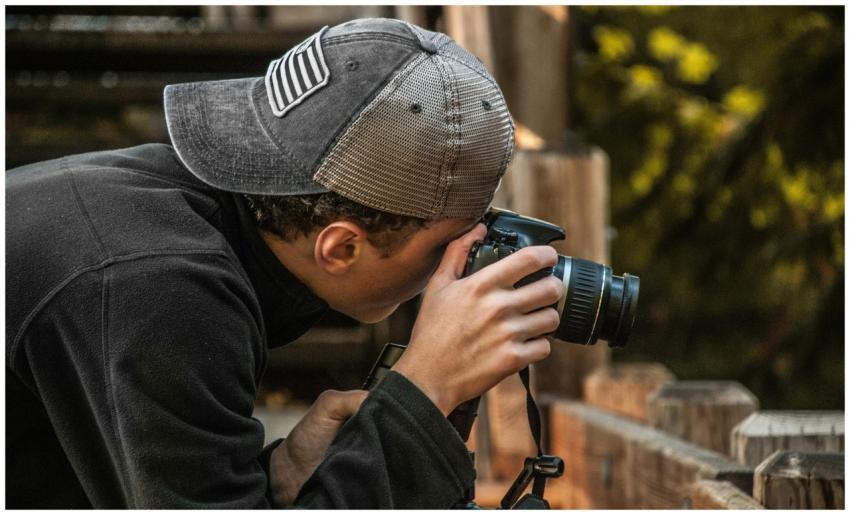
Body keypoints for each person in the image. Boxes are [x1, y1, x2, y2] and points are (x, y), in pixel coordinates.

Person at [5, 18, 563, 508]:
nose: (460, 267)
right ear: (341, 247)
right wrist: (424, 390)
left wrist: (279, 473)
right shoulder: (156, 289)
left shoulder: (161, 215)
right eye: (449, 245)